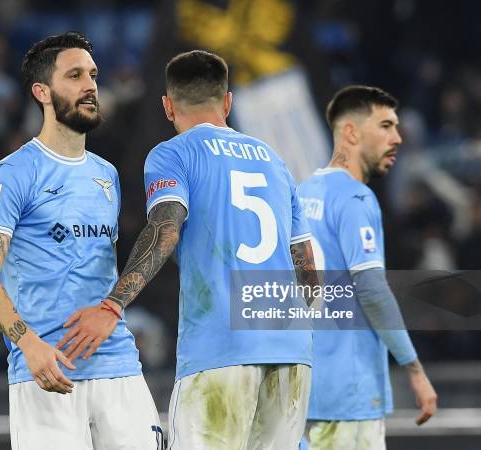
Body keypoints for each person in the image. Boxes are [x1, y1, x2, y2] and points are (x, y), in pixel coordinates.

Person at [57, 50, 318, 449]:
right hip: (292, 356)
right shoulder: (275, 163)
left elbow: (165, 231)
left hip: (219, 352)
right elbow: (308, 274)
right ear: (228, 102)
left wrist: (112, 305)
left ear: (167, 106)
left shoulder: (172, 154)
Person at [0, 31, 162, 450]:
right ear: (42, 91)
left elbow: (101, 269)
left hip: (119, 366)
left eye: (92, 74)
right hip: (47, 372)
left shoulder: (106, 174)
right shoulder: (12, 173)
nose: (90, 85)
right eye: (74, 75)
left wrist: (112, 308)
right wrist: (28, 343)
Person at [297, 85, 438, 450]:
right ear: (352, 132)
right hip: (350, 392)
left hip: (302, 391)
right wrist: (415, 369)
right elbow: (373, 290)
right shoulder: (356, 199)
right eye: (386, 126)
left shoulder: (301, 193)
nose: (398, 138)